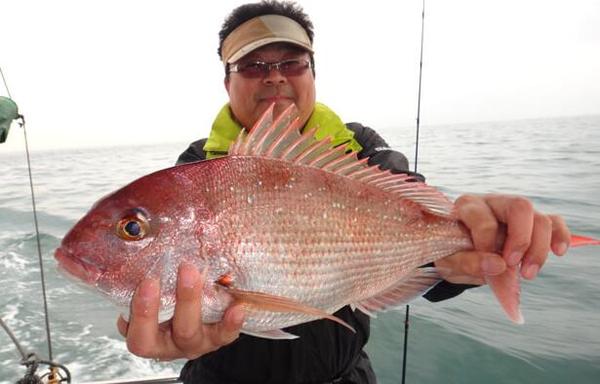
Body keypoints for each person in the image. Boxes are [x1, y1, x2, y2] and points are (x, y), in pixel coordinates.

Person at [116, 1, 571, 383]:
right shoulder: (198, 169)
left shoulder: (362, 149)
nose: (274, 77)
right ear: (227, 81)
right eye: (253, 65)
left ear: (312, 72)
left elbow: (429, 256)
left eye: (291, 62)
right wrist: (166, 330)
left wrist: (469, 240)